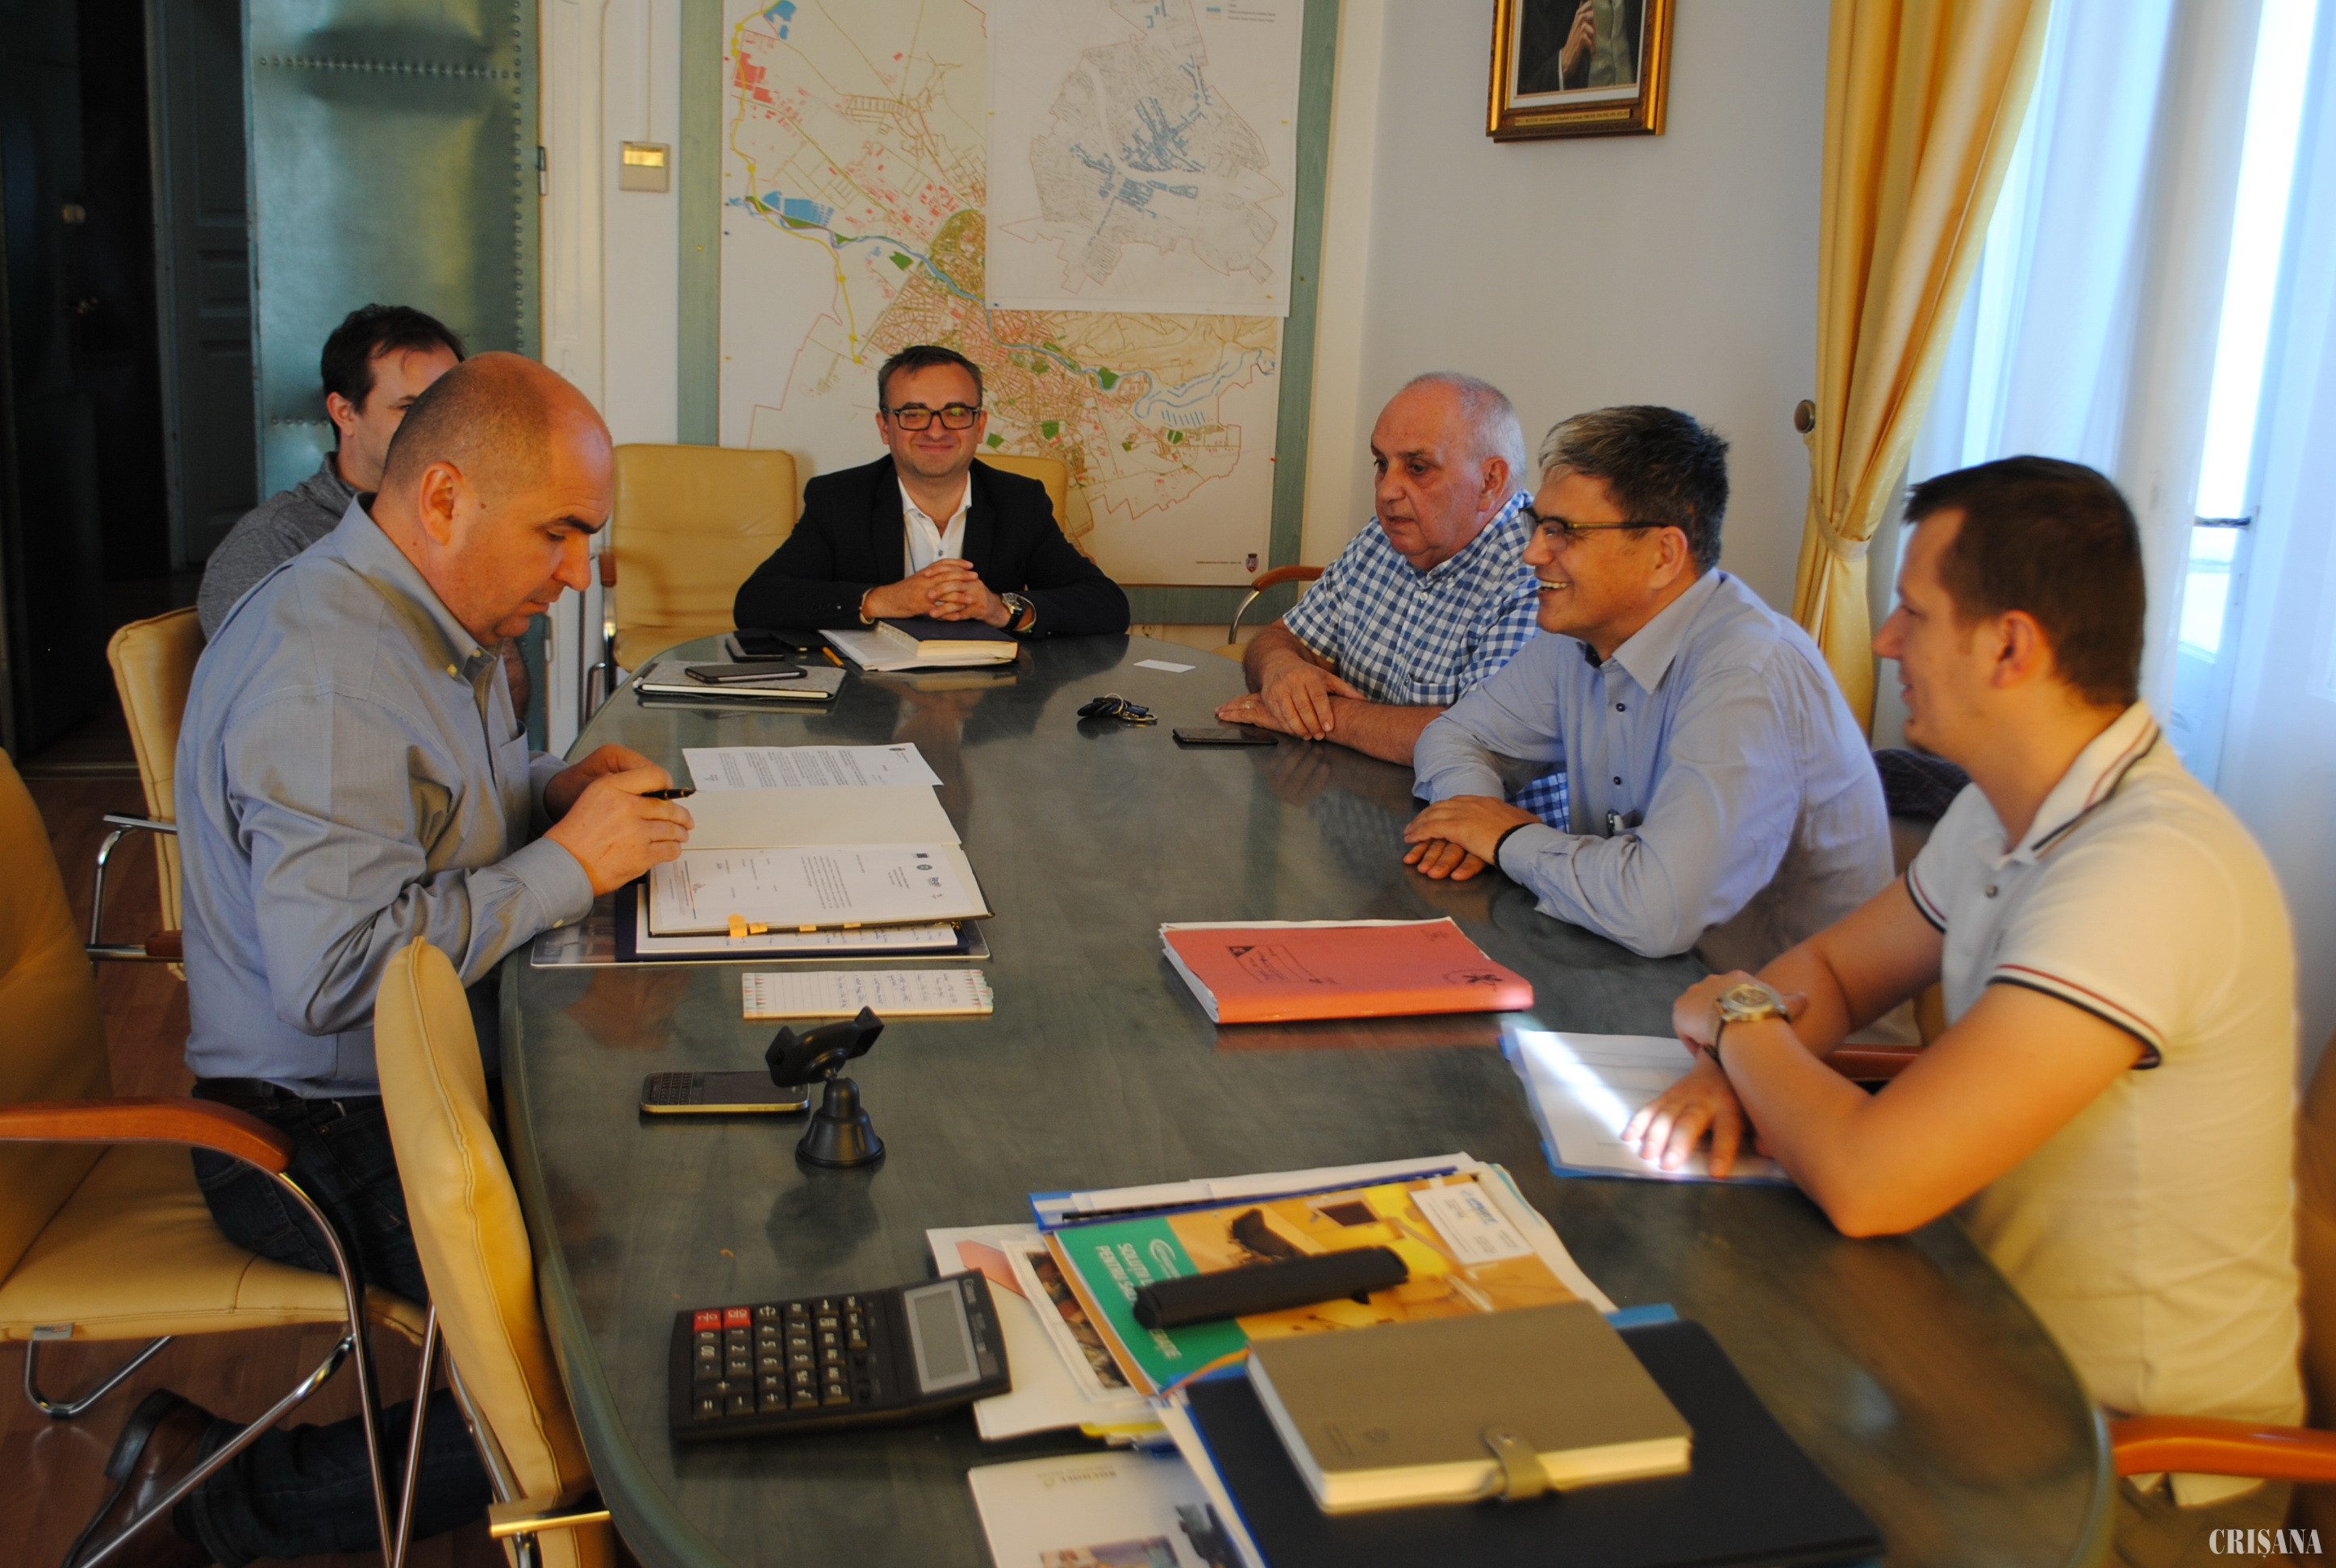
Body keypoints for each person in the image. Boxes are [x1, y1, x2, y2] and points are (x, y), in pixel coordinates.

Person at [76, 353, 693, 1568]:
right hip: (310, 1128)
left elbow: (439, 809)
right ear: (447, 499)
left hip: (409, 1079)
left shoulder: (424, 617)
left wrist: (552, 790)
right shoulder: (331, 674)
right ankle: (208, 1503)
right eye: (560, 534)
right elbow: (338, 975)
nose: (580, 574)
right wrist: (568, 864)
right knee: (622, 1384)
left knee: (671, 1216)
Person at [1626, 457, 2302, 1565]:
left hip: (2139, 1481)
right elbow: (1840, 973)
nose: (1888, 640)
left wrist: (1741, 1026)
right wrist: (1736, 1054)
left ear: (2009, 647)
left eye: (1914, 612)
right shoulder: (2003, 812)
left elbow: (1871, 1180)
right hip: (1978, 1374)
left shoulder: (2149, 869)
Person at [1403, 405, 1892, 974]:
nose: (1533, 553)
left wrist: (1508, 838)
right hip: (1635, 981)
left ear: (1664, 556)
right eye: (1538, 525)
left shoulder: (1747, 674)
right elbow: (1455, 736)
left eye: (1564, 532)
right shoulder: (1582, 635)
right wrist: (1469, 817)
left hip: (1781, 1016)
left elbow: (1658, 912)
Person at [1215, 373, 1564, 819]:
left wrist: (1311, 713)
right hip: (1362, 822)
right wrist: (1282, 671)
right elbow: (1284, 638)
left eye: (1417, 468)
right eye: (1381, 464)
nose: (1386, 491)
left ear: (1490, 481)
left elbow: (1477, 742)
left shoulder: (1540, 570)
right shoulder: (1382, 538)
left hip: (1476, 845)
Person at [732, 343, 1128, 636]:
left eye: (956, 413)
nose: (936, 430)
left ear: (980, 425)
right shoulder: (840, 499)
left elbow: (1107, 604)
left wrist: (999, 608)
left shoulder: (1019, 501)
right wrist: (885, 600)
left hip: (992, 702)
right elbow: (758, 602)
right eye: (913, 413)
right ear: (885, 427)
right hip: (872, 702)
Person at [196, 304, 463, 637]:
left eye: (451, 408)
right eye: (408, 408)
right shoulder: (273, 545)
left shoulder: (464, 519)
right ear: (345, 413)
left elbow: (501, 669)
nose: (441, 428)